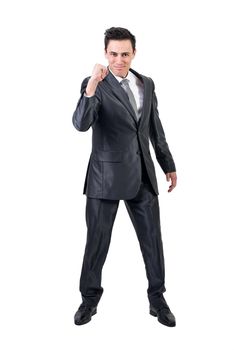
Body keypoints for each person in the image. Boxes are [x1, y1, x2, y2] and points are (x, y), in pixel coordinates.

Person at [72, 27, 177, 327]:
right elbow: (81, 123)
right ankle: (88, 301)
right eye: (113, 54)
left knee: (152, 241)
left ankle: (157, 299)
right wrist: (92, 83)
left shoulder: (147, 83)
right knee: (96, 242)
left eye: (125, 54)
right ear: (105, 54)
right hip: (104, 177)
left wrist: (167, 163)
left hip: (142, 174)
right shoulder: (95, 84)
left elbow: (154, 128)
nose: (119, 60)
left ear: (134, 54)